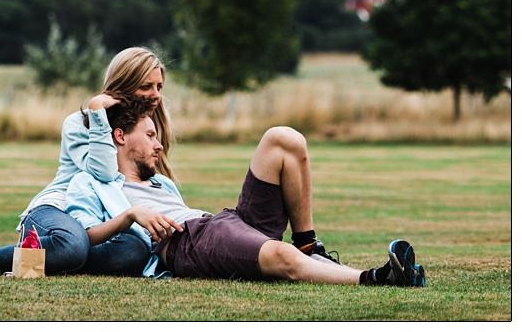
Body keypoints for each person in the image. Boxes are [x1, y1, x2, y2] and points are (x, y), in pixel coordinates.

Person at [64, 95, 426, 286]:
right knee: (279, 259)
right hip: (189, 242)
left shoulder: (162, 182)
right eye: (151, 136)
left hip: (219, 223)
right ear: (120, 138)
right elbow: (83, 238)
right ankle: (377, 278)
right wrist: (130, 215)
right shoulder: (96, 182)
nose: (159, 146)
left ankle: (308, 246)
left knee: (283, 139)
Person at [0, 47, 175, 277]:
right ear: (124, 85)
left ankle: (40, 259)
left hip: (103, 222)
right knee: (73, 245)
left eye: (159, 87)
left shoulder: (149, 130)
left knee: (132, 251)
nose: (155, 95)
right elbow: (104, 173)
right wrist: (98, 113)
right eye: (146, 87)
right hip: (59, 208)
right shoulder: (80, 122)